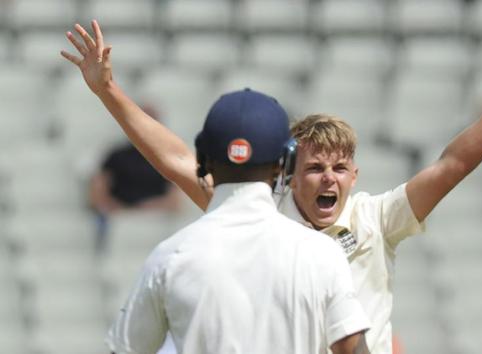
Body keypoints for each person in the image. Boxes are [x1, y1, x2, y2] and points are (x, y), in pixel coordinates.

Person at [61, 19, 482, 353]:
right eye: (315, 168)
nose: (329, 178)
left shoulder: (375, 217)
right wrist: (109, 92)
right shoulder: (263, 210)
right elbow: (177, 161)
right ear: (287, 172)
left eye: (339, 168)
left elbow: (452, 164)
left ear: (354, 176)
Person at [63, 22, 371, 354]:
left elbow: (176, 158)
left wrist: (106, 89)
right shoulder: (321, 253)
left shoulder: (172, 256)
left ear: (206, 160)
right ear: (285, 164)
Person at [89, 104, 180, 250]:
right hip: (117, 218)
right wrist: (117, 209)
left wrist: (147, 210)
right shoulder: (115, 155)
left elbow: (174, 200)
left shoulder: (168, 159)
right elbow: (98, 191)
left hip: (155, 219)